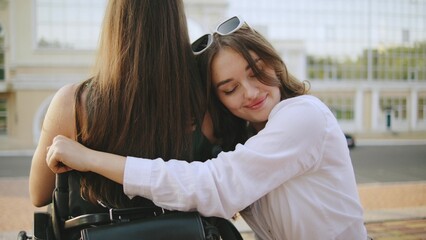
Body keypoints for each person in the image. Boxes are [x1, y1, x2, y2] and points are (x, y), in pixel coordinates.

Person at [46, 16, 368, 239]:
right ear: (217, 100)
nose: (251, 93)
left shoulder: (302, 116)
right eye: (230, 89)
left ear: (273, 61)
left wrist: (88, 158)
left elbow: (214, 185)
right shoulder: (248, 136)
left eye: (256, 71)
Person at [29, 1, 244, 239]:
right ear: (176, 23)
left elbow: (39, 194)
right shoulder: (205, 100)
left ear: (114, 26)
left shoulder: (73, 102)